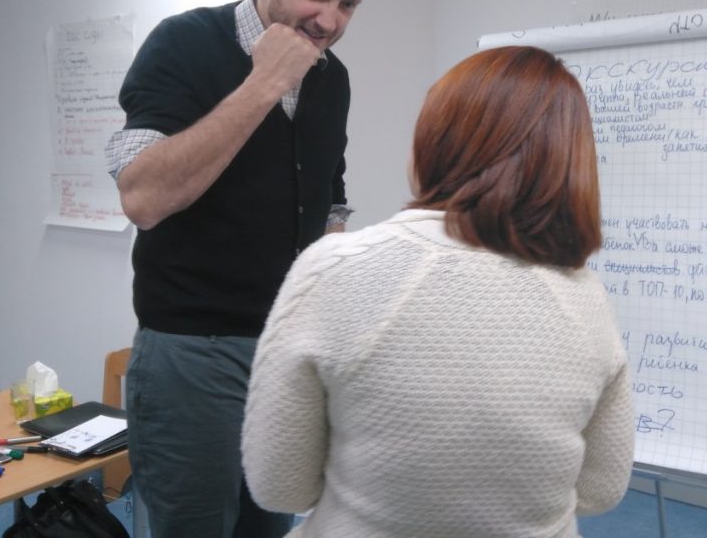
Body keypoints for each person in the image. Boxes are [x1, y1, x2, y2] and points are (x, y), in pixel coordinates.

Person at [242, 46, 635, 538]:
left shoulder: (331, 268)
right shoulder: (584, 296)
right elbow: (600, 490)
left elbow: (280, 488)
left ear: (436, 144)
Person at [105, 0, 374, 538]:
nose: (329, 20)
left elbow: (328, 201)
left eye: (348, 5)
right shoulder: (183, 42)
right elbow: (143, 197)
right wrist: (265, 82)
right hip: (192, 352)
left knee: (269, 524)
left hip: (286, 351)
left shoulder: (332, 79)